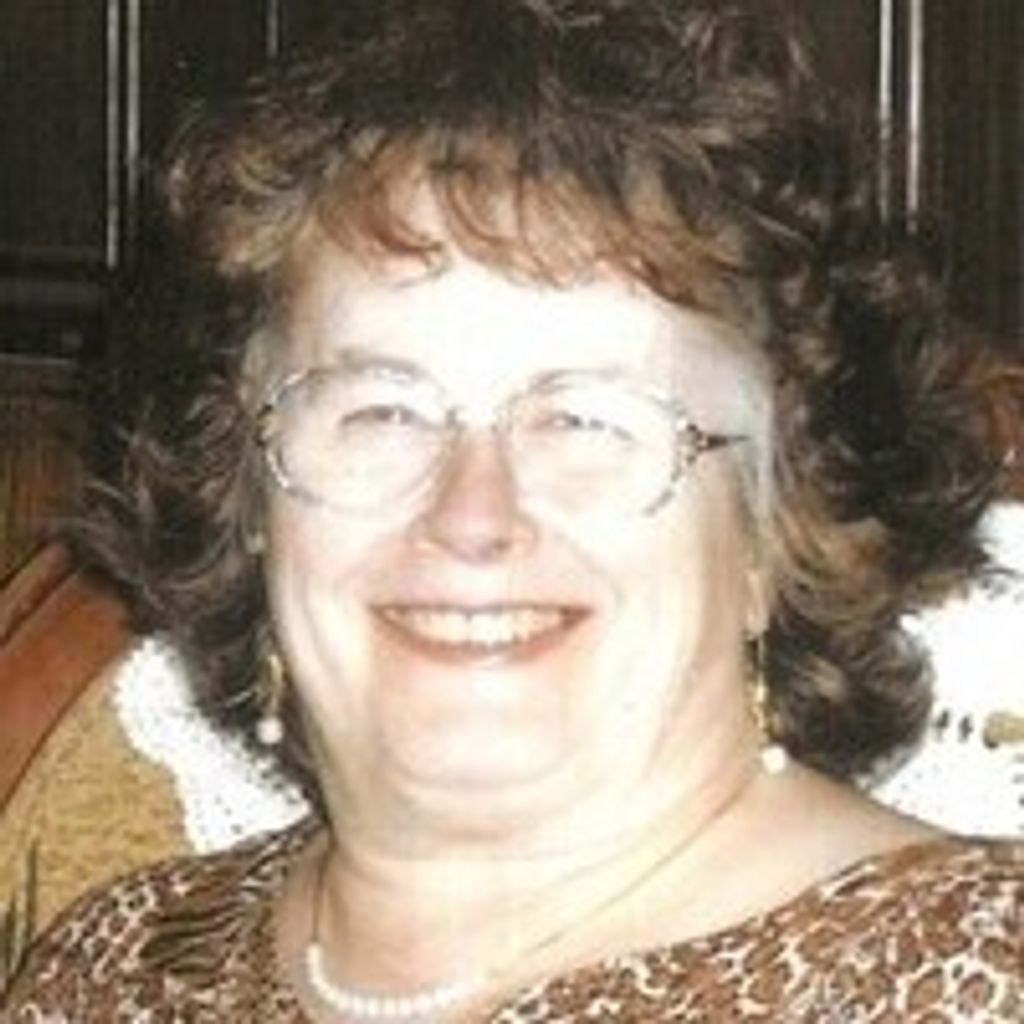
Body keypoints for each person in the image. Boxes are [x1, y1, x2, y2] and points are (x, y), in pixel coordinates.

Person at [4, 0, 1021, 1019]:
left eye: (588, 419)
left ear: (775, 530)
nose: (472, 517)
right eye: (381, 411)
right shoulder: (109, 967)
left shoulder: (977, 979)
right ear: (249, 500)